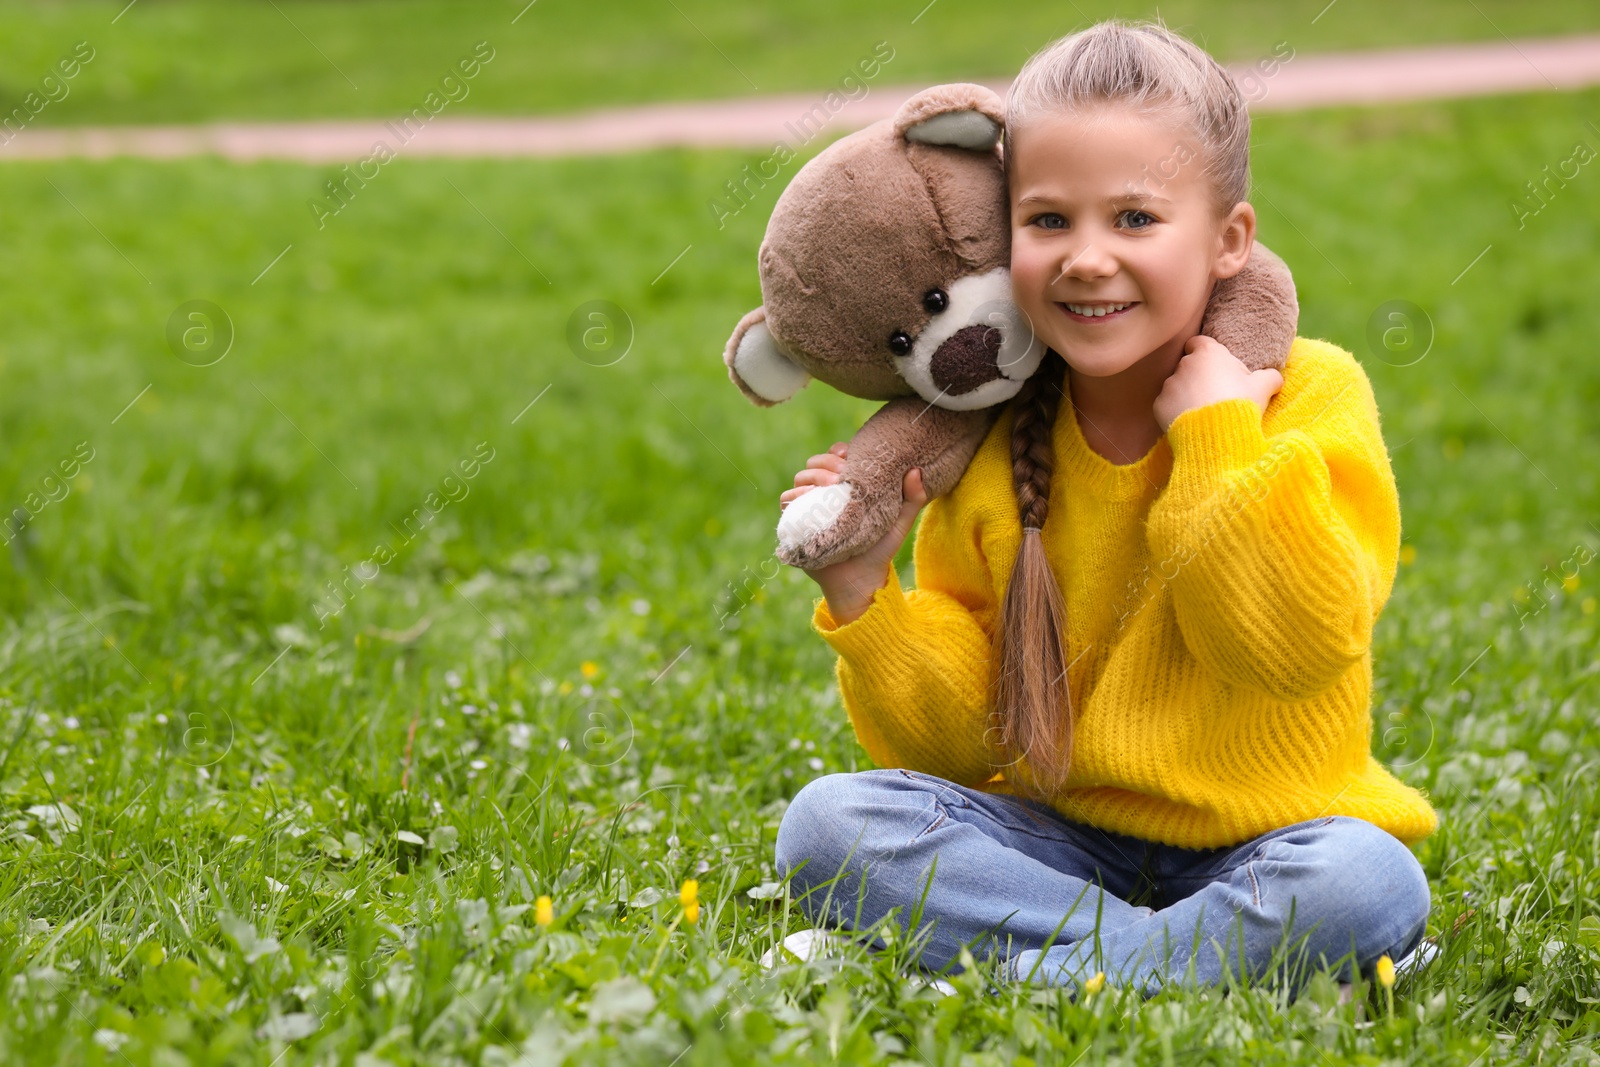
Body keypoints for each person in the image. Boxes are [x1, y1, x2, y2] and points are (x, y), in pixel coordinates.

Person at [772, 19, 1436, 995]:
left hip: (1273, 840)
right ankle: (1168, 965)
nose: (1087, 257)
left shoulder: (1311, 396)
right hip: (1056, 843)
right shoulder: (1000, 439)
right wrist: (866, 591)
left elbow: (1297, 647)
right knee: (828, 825)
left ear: (1227, 241)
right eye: (1048, 221)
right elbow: (962, 743)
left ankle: (995, 963)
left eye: (1134, 219)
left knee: (1363, 880)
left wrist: (1214, 440)